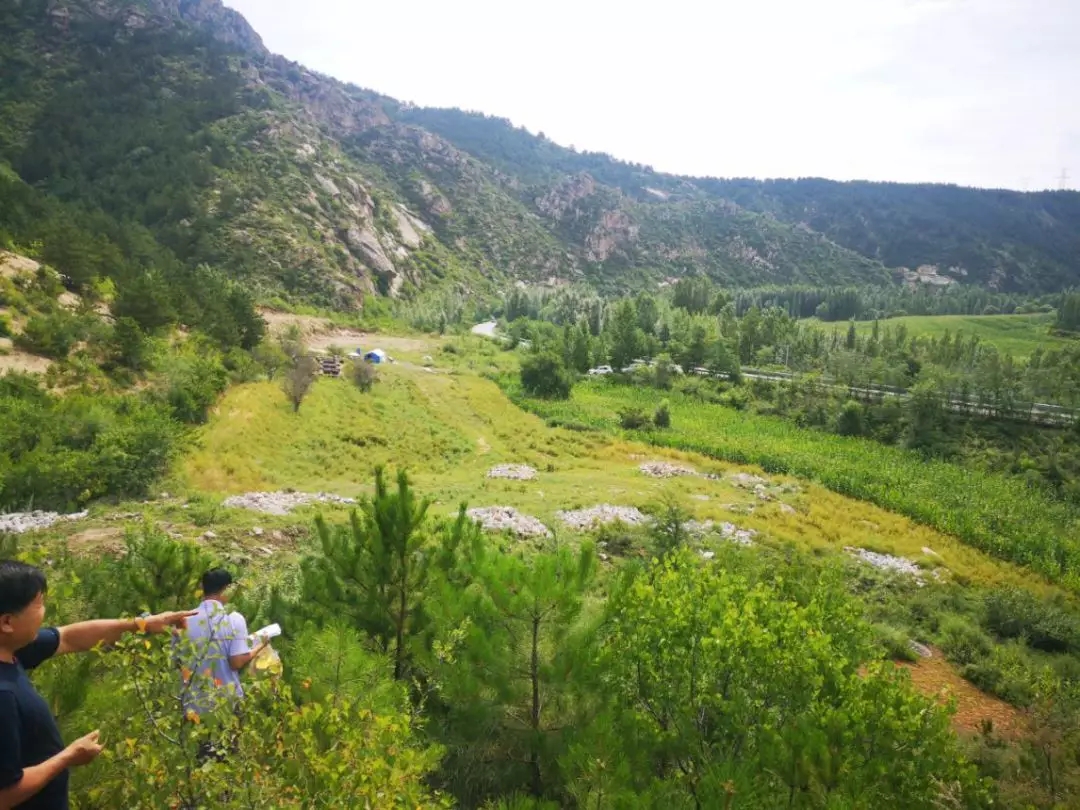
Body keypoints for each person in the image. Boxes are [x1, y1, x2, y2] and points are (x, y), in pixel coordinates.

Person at [0, 559, 195, 810]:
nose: (44, 612)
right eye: (38, 605)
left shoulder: (14, 651)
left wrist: (143, 625)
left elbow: (69, 637)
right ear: (7, 622)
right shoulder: (3, 695)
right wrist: (67, 758)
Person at [180, 569, 269, 720]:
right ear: (226, 589)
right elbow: (236, 662)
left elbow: (177, 662)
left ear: (203, 588)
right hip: (225, 703)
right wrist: (260, 645)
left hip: (192, 703)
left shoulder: (184, 620)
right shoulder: (233, 619)